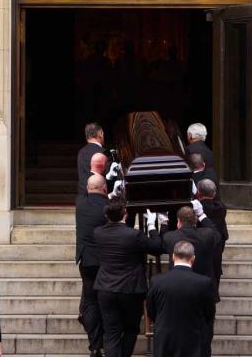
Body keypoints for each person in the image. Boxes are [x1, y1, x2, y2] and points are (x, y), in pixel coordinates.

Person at [93, 200, 163, 357]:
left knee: (111, 333)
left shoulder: (98, 233)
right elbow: (157, 248)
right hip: (131, 289)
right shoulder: (134, 235)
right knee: (131, 329)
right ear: (125, 214)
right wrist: (152, 227)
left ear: (106, 216)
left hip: (105, 288)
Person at [162, 203, 221, 356]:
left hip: (177, 292)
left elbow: (161, 240)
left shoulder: (171, 237)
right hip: (203, 292)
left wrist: (161, 223)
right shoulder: (207, 235)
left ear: (178, 222)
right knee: (205, 335)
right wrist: (203, 215)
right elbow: (217, 233)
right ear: (195, 220)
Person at [146, 241, 215, 357]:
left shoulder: (157, 281)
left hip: (165, 339)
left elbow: (151, 310)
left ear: (173, 257)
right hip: (193, 338)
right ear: (193, 258)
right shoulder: (204, 282)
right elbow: (209, 313)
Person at [75, 174, 109, 356]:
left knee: (89, 301)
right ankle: (102, 340)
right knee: (102, 300)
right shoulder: (107, 207)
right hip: (104, 260)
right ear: (104, 188)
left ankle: (95, 346)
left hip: (86, 259)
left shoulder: (80, 205)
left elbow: (85, 190)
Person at [197, 179, 228, 288]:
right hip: (216, 250)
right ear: (214, 193)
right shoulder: (221, 208)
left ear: (198, 192)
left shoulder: (197, 209)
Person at [77, 123, 107, 196]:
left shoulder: (81, 152)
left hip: (82, 197)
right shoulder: (103, 152)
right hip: (99, 197)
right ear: (100, 133)